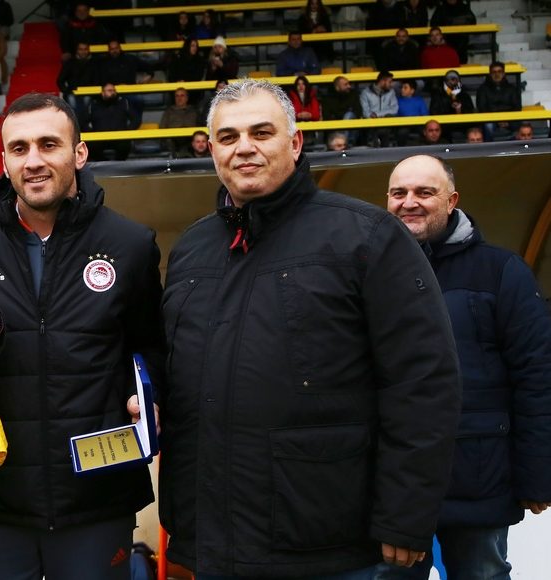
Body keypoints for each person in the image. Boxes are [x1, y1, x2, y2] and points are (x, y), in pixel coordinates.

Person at [160, 79, 461, 579]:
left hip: (330, 544)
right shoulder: (192, 248)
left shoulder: (367, 237)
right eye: (228, 137)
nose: (244, 148)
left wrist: (405, 515)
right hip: (212, 541)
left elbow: (423, 383)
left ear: (295, 143)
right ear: (211, 149)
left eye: (261, 133)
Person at [0, 92, 164, 580]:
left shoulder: (130, 244)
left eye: (49, 144)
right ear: (4, 160)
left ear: (78, 153)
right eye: (19, 149)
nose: (34, 161)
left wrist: (147, 397)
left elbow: (153, 346)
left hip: (97, 498)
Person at [381, 154, 551, 580]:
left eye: (424, 192)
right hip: (392, 484)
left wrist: (538, 474)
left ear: (452, 200)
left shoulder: (501, 271)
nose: (409, 202)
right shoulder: (366, 270)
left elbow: (536, 376)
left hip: (480, 476)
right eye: (399, 193)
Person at [85, 82, 138, 161]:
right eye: (109, 90)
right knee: (91, 146)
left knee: (125, 146)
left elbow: (136, 118)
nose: (113, 92)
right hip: (99, 138)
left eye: (114, 90)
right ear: (103, 93)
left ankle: (117, 164)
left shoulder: (123, 103)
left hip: (119, 137)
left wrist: (128, 131)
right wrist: (91, 132)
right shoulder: (93, 104)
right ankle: (104, 163)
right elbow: (83, 121)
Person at [476, 62, 522, 141]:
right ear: (490, 74)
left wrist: (507, 121)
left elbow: (517, 107)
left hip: (510, 120)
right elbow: (482, 108)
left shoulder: (512, 89)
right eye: (494, 72)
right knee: (488, 125)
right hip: (490, 120)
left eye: (499, 71)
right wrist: (497, 120)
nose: (497, 74)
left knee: (523, 127)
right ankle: (489, 147)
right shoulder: (482, 89)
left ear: (504, 73)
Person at [160, 88, 199, 157]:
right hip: (173, 140)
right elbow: (162, 128)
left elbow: (200, 127)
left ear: (187, 98)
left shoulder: (194, 111)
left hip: (190, 139)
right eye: (177, 96)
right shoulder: (169, 112)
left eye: (182, 95)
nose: (179, 98)